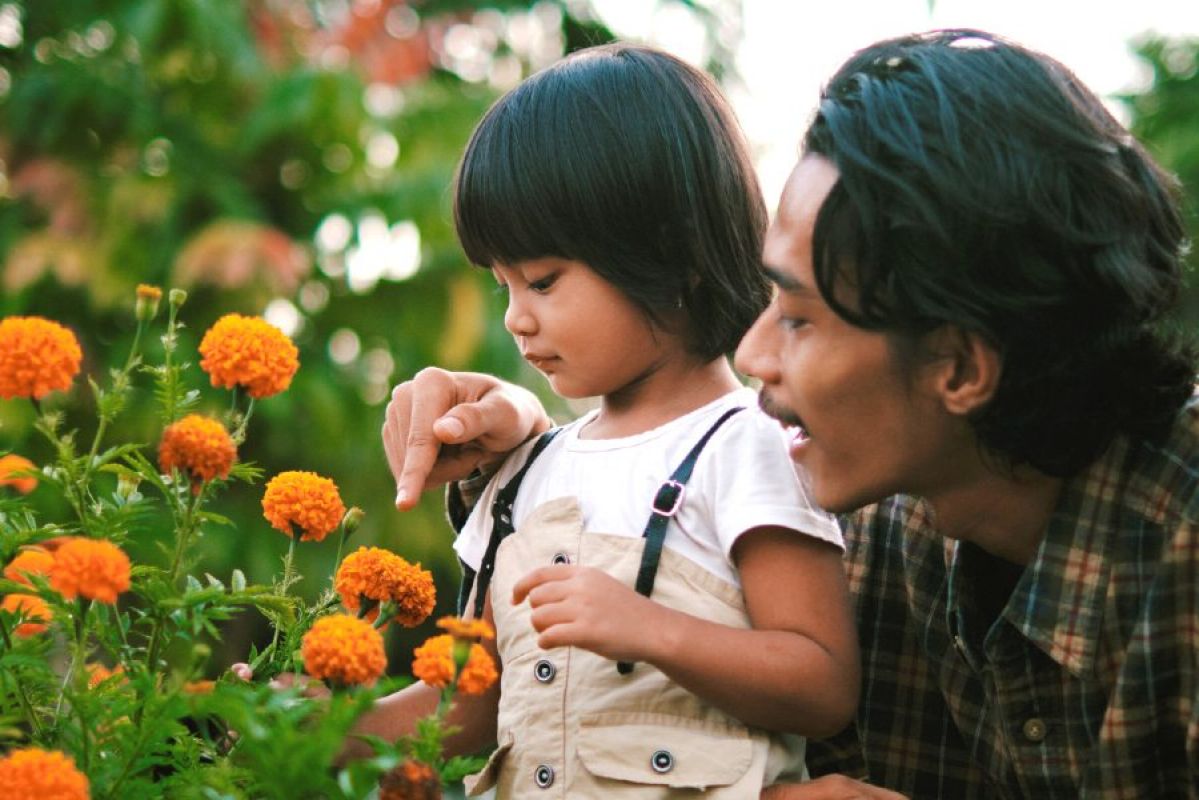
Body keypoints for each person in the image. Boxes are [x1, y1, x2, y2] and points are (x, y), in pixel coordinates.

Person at [382, 29, 1199, 799]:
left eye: (800, 317)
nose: (752, 354)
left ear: (959, 365)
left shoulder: (1176, 542)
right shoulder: (872, 521)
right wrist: (520, 446)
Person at [368, 42, 858, 797]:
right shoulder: (530, 468)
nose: (516, 320)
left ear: (670, 256)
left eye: (542, 280)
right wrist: (317, 727)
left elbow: (821, 685)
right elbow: (475, 703)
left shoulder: (746, 442)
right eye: (502, 285)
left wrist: (651, 629)